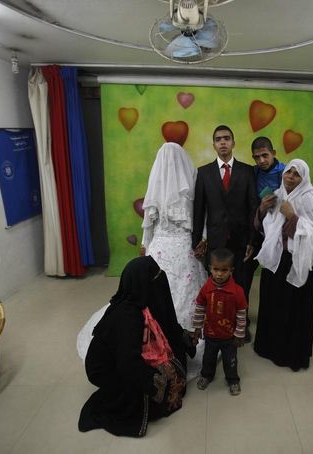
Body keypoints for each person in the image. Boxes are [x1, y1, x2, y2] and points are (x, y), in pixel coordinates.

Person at [77, 142, 207, 380]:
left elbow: (149, 225)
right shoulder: (190, 188)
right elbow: (201, 219)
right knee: (183, 292)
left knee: (150, 292)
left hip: (159, 250)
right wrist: (202, 239)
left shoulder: (156, 191)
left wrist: (147, 247)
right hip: (183, 250)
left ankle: (154, 333)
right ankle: (176, 333)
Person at [78, 256, 194, 437]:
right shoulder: (128, 316)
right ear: (142, 283)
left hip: (126, 358)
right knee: (154, 396)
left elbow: (166, 323)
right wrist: (154, 381)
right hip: (109, 369)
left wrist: (182, 336)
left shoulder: (142, 300)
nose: (160, 281)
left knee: (176, 361)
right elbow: (127, 363)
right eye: (155, 278)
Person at [253, 159, 313, 371]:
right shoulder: (278, 194)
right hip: (276, 260)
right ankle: (268, 347)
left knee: (292, 308)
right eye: (288, 172)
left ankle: (289, 353)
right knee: (272, 303)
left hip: (296, 260)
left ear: (304, 179)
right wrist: (262, 210)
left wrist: (292, 216)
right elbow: (263, 227)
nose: (290, 177)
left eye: (296, 174)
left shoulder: (309, 200)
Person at [192, 125, 258, 341]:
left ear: (233, 143)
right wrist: (197, 241)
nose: (223, 142)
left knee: (241, 284)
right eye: (218, 139)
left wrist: (252, 240)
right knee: (217, 286)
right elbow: (199, 210)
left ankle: (241, 325)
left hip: (241, 241)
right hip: (216, 240)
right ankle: (217, 326)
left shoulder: (247, 171)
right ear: (213, 144)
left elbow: (252, 209)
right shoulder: (203, 173)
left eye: (227, 138)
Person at [191, 248, 247, 396]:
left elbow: (241, 314)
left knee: (231, 361)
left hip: (229, 337)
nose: (219, 274)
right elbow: (200, 307)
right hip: (210, 334)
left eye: (224, 270)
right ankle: (206, 376)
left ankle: (233, 380)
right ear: (210, 268)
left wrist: (239, 334)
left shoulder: (237, 291)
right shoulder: (206, 288)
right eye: (216, 269)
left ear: (231, 270)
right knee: (208, 358)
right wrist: (197, 327)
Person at [242, 137, 286, 314]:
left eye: (265, 155)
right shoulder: (253, 172)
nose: (261, 161)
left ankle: (274, 319)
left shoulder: (287, 172)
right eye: (256, 157)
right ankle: (241, 319)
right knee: (244, 273)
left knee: (275, 281)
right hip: (258, 232)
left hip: (281, 235)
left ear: (274, 153)